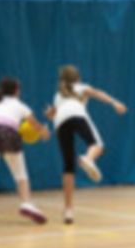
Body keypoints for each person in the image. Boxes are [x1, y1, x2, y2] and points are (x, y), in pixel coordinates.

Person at [44, 66, 128, 225]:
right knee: (97, 145)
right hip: (76, 114)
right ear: (77, 78)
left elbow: (53, 114)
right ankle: (88, 159)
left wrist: (50, 114)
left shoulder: (58, 95)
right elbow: (97, 93)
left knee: (68, 166)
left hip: (60, 123)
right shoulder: (80, 87)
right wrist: (114, 102)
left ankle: (68, 211)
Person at [0, 77, 50, 223]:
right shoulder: (21, 105)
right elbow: (34, 125)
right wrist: (44, 132)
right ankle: (26, 203)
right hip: (8, 132)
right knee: (20, 174)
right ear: (16, 90)